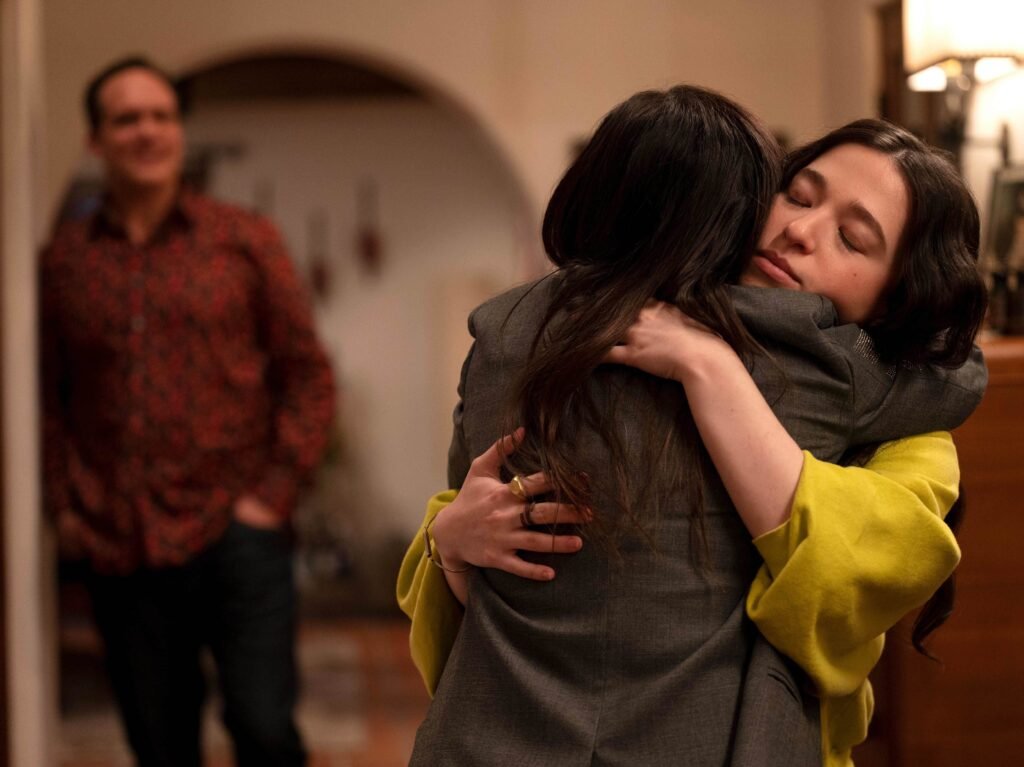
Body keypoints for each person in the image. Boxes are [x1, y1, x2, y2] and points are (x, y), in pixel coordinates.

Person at [398, 88, 987, 766]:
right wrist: (450, 540)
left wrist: (710, 368)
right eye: (797, 196)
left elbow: (853, 581)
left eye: (853, 238)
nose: (802, 230)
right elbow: (484, 529)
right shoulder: (622, 321)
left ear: (900, 294)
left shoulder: (905, 428)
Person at [41, 56, 335, 767]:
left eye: (161, 116)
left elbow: (308, 373)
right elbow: (45, 394)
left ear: (179, 131)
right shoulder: (63, 261)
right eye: (126, 118)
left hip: (238, 533)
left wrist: (272, 495)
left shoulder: (243, 238)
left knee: (265, 730)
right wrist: (66, 504)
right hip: (123, 540)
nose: (147, 131)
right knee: (159, 743)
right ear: (94, 140)